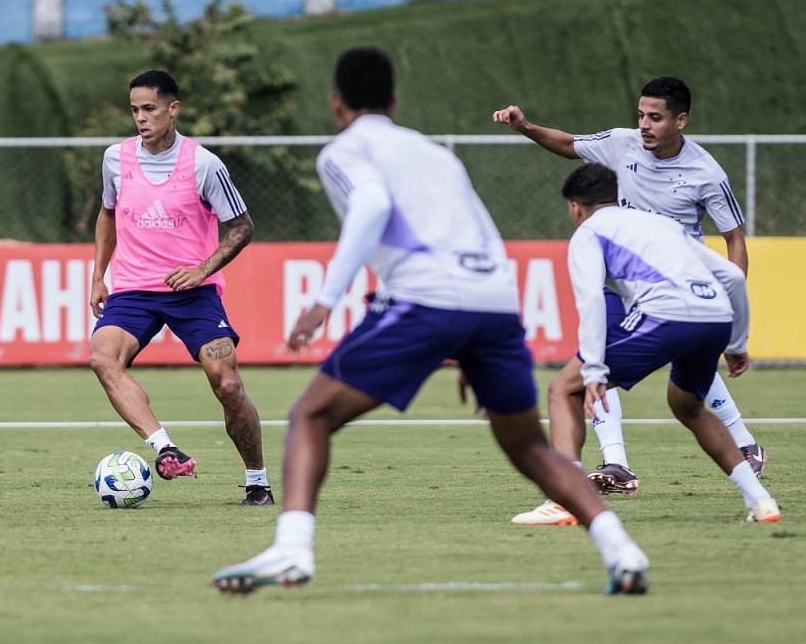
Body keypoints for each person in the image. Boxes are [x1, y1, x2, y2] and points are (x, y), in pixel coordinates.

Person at [213, 47, 649, 596]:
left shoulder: (344, 151)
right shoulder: (436, 153)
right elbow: (481, 231)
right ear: (394, 102)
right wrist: (484, 335)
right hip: (492, 301)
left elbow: (371, 206)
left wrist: (326, 298)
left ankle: (291, 550)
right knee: (529, 447)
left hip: (426, 299)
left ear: (335, 103)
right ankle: (621, 549)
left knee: (310, 417)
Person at [493, 77, 766, 520]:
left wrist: (735, 300)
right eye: (641, 114)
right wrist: (526, 127)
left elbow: (734, 238)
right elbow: (568, 144)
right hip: (622, 283)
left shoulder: (707, 173)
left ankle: (742, 442)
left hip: (675, 286)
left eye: (655, 117)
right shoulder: (622, 144)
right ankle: (616, 460)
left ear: (681, 120)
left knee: (662, 381)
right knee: (589, 361)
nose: (643, 125)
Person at [533, 163, 779, 527]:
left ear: (575, 207)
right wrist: (737, 342)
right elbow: (730, 277)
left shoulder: (588, 233)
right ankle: (761, 501)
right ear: (614, 197)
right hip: (714, 316)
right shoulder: (660, 223)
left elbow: (591, 303)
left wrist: (595, 373)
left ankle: (564, 500)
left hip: (666, 314)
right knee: (688, 406)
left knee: (562, 389)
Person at [88, 69, 271, 505]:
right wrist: (99, 274)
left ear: (173, 110)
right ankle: (164, 447)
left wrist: (202, 269)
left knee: (227, 383)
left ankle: (258, 481)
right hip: (133, 290)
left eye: (149, 108)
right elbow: (107, 214)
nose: (140, 118)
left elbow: (242, 226)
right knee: (102, 358)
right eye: (134, 110)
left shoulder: (204, 164)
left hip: (193, 293)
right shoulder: (116, 158)